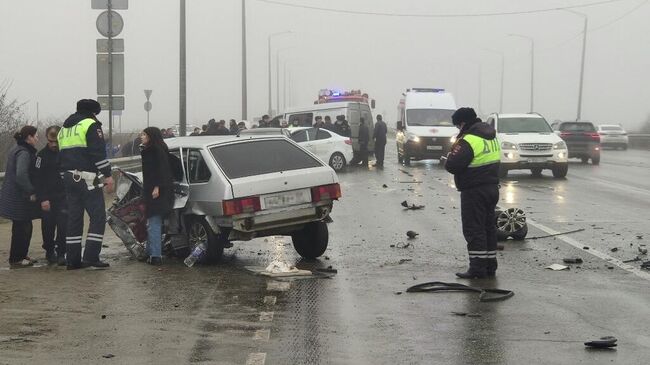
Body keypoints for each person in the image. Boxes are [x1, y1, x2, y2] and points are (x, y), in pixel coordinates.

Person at [444, 107, 501, 279]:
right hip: (491, 188)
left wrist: (449, 157)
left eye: (457, 126)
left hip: (474, 191)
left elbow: (453, 165)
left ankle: (477, 268)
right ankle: (490, 266)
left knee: (474, 230)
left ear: (462, 123)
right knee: (488, 228)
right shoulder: (491, 136)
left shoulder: (468, 140)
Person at [58, 99, 114, 270]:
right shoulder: (90, 124)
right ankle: (91, 257)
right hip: (87, 178)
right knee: (98, 217)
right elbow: (97, 153)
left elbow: (61, 154)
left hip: (68, 177)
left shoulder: (65, 128)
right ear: (93, 112)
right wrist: (108, 174)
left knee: (74, 218)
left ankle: (72, 260)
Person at [0, 126, 40, 267]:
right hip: (19, 197)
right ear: (28, 137)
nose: (37, 138)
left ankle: (22, 255)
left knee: (24, 225)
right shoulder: (23, 152)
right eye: (35, 136)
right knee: (21, 227)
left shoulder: (17, 149)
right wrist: (31, 191)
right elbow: (21, 175)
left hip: (15, 195)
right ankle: (16, 258)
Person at [139, 127, 174, 265]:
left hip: (156, 191)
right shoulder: (158, 148)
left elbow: (162, 169)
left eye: (144, 134)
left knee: (154, 222)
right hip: (156, 189)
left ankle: (155, 256)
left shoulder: (154, 150)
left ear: (150, 136)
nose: (141, 137)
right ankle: (150, 252)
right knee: (153, 222)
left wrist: (157, 187)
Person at [35, 126, 67, 265]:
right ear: (47, 139)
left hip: (63, 197)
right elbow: (37, 179)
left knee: (63, 226)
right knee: (48, 227)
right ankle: (49, 250)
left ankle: (61, 253)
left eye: (56, 141)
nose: (54, 144)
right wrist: (43, 199)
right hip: (47, 198)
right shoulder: (40, 156)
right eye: (51, 141)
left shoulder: (66, 154)